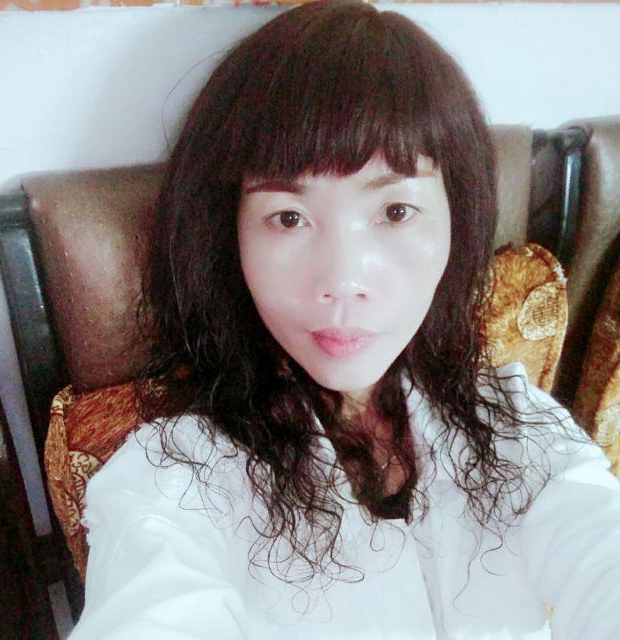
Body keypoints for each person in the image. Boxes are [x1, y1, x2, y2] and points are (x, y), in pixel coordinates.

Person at [69, 2, 620, 638]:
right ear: (230, 236)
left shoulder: (519, 426)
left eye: (395, 212)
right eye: (288, 217)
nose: (343, 280)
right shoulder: (172, 481)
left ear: (457, 220)